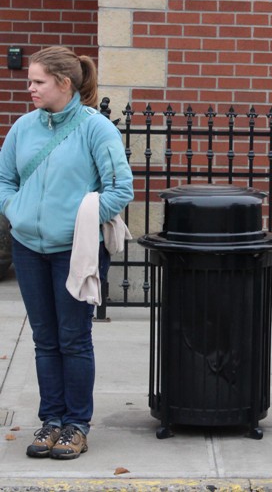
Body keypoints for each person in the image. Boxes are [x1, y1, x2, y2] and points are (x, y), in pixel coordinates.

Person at [0, 46, 134, 459]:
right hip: (28, 248)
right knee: (44, 340)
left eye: (38, 81)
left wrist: (81, 221)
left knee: (73, 339)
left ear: (64, 83)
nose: (31, 89)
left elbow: (120, 190)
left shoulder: (96, 129)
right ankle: (50, 421)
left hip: (74, 252)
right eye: (30, 82)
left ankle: (76, 424)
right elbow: (6, 179)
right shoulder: (23, 128)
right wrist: (16, 211)